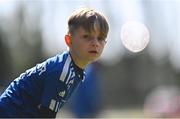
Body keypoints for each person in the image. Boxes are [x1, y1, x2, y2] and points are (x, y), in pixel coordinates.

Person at [0, 7, 109, 117]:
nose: (95, 43)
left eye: (100, 38)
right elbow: (47, 114)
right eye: (86, 36)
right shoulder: (63, 72)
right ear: (69, 40)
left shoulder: (73, 68)